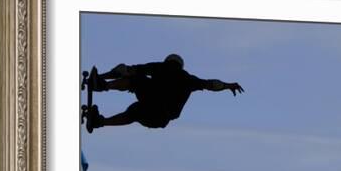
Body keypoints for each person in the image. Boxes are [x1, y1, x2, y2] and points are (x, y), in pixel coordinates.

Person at [85, 54, 244, 130]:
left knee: (136, 80)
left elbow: (126, 70)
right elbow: (212, 84)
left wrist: (100, 79)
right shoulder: (188, 79)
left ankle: (103, 86)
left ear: (168, 61)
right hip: (159, 118)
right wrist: (228, 85)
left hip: (153, 104)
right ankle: (100, 122)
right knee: (134, 112)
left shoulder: (160, 67)